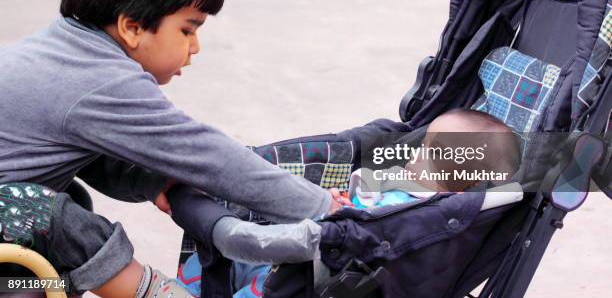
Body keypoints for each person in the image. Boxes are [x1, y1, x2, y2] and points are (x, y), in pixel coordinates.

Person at [0, 0, 346, 297]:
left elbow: (90, 155)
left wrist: (150, 177)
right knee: (46, 214)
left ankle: (54, 284)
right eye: (187, 29)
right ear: (132, 27)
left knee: (58, 206)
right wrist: (322, 207)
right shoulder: (102, 81)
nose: (194, 47)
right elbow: (206, 155)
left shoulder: (62, 51)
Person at [172, 108, 521, 297]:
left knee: (256, 283)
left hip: (318, 271)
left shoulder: (426, 213)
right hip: (309, 244)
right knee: (224, 261)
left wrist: (347, 211)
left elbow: (374, 226)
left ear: (457, 191)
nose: (415, 152)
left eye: (428, 152)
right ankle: (181, 290)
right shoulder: (404, 181)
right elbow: (361, 197)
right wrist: (345, 199)